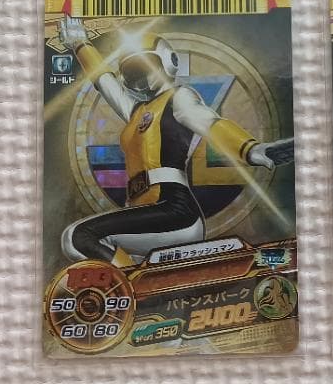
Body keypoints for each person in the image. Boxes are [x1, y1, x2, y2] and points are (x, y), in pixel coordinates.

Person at [57, 16, 293, 267]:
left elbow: (209, 123)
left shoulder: (178, 98)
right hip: (148, 214)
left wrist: (251, 149)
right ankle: (135, 281)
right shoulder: (136, 112)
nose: (139, 74)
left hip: (175, 211)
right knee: (106, 250)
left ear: (166, 62)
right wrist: (81, 45)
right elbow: (106, 82)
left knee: (78, 236)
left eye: (145, 65)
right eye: (132, 70)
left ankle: (130, 281)